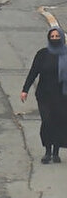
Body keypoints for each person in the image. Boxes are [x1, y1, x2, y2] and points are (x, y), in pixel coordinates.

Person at [21, 27, 67, 164]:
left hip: (62, 95)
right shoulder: (42, 54)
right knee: (47, 121)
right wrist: (25, 90)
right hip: (44, 95)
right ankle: (47, 151)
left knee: (59, 122)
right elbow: (33, 72)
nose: (54, 39)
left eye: (56, 36)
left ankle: (56, 152)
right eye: (52, 36)